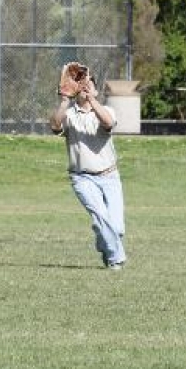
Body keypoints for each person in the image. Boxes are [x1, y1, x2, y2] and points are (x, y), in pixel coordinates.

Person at [50, 71, 127, 270]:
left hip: (110, 175)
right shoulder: (69, 114)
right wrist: (64, 101)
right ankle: (115, 260)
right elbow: (54, 125)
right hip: (82, 178)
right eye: (81, 85)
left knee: (116, 228)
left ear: (95, 90)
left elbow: (108, 123)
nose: (85, 88)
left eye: (89, 85)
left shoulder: (106, 110)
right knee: (101, 217)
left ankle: (104, 241)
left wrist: (92, 100)